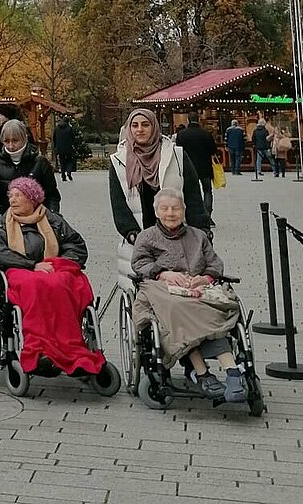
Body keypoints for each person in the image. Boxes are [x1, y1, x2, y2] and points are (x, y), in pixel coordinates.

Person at [0, 176, 105, 378]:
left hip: (52, 268)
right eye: (10, 195)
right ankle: (38, 349)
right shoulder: (3, 223)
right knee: (35, 284)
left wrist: (59, 263)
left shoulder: (53, 220)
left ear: (32, 198)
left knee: (62, 282)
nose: (12, 200)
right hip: (19, 270)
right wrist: (31, 265)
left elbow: (77, 245)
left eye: (18, 195)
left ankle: (70, 348)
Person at [131, 188, 245, 403]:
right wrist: (163, 273)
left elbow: (214, 263)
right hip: (163, 289)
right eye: (164, 209)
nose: (170, 213)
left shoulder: (198, 236)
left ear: (184, 211)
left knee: (211, 306)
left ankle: (232, 372)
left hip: (198, 288)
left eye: (176, 208)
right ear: (156, 212)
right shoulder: (147, 237)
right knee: (176, 308)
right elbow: (139, 264)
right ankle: (202, 373)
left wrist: (205, 279)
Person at [109, 108, 209, 288]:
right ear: (129, 129)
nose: (140, 130)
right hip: (140, 235)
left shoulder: (176, 155)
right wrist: (130, 232)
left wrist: (201, 227)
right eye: (135, 125)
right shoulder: (119, 161)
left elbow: (192, 194)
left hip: (176, 234)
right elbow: (118, 202)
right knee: (145, 290)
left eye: (145, 125)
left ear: (154, 127)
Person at [0, 119, 61, 228]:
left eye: (15, 140)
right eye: (6, 141)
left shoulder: (40, 163)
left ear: (24, 138)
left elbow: (52, 195)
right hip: (4, 220)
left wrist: (52, 216)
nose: (10, 145)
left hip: (37, 219)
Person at [174, 113, 218, 218]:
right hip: (205, 167)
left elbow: (178, 151)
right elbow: (213, 150)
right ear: (198, 120)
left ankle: (191, 215)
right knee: (207, 191)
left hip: (188, 168)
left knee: (189, 192)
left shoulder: (182, 134)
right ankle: (207, 215)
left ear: (188, 120)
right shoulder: (206, 134)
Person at [51, 114, 76, 182]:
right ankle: (68, 171)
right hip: (68, 148)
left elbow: (54, 138)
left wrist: (55, 147)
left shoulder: (56, 128)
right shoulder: (69, 128)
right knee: (70, 161)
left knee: (62, 162)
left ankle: (63, 175)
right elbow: (72, 138)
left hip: (59, 148)